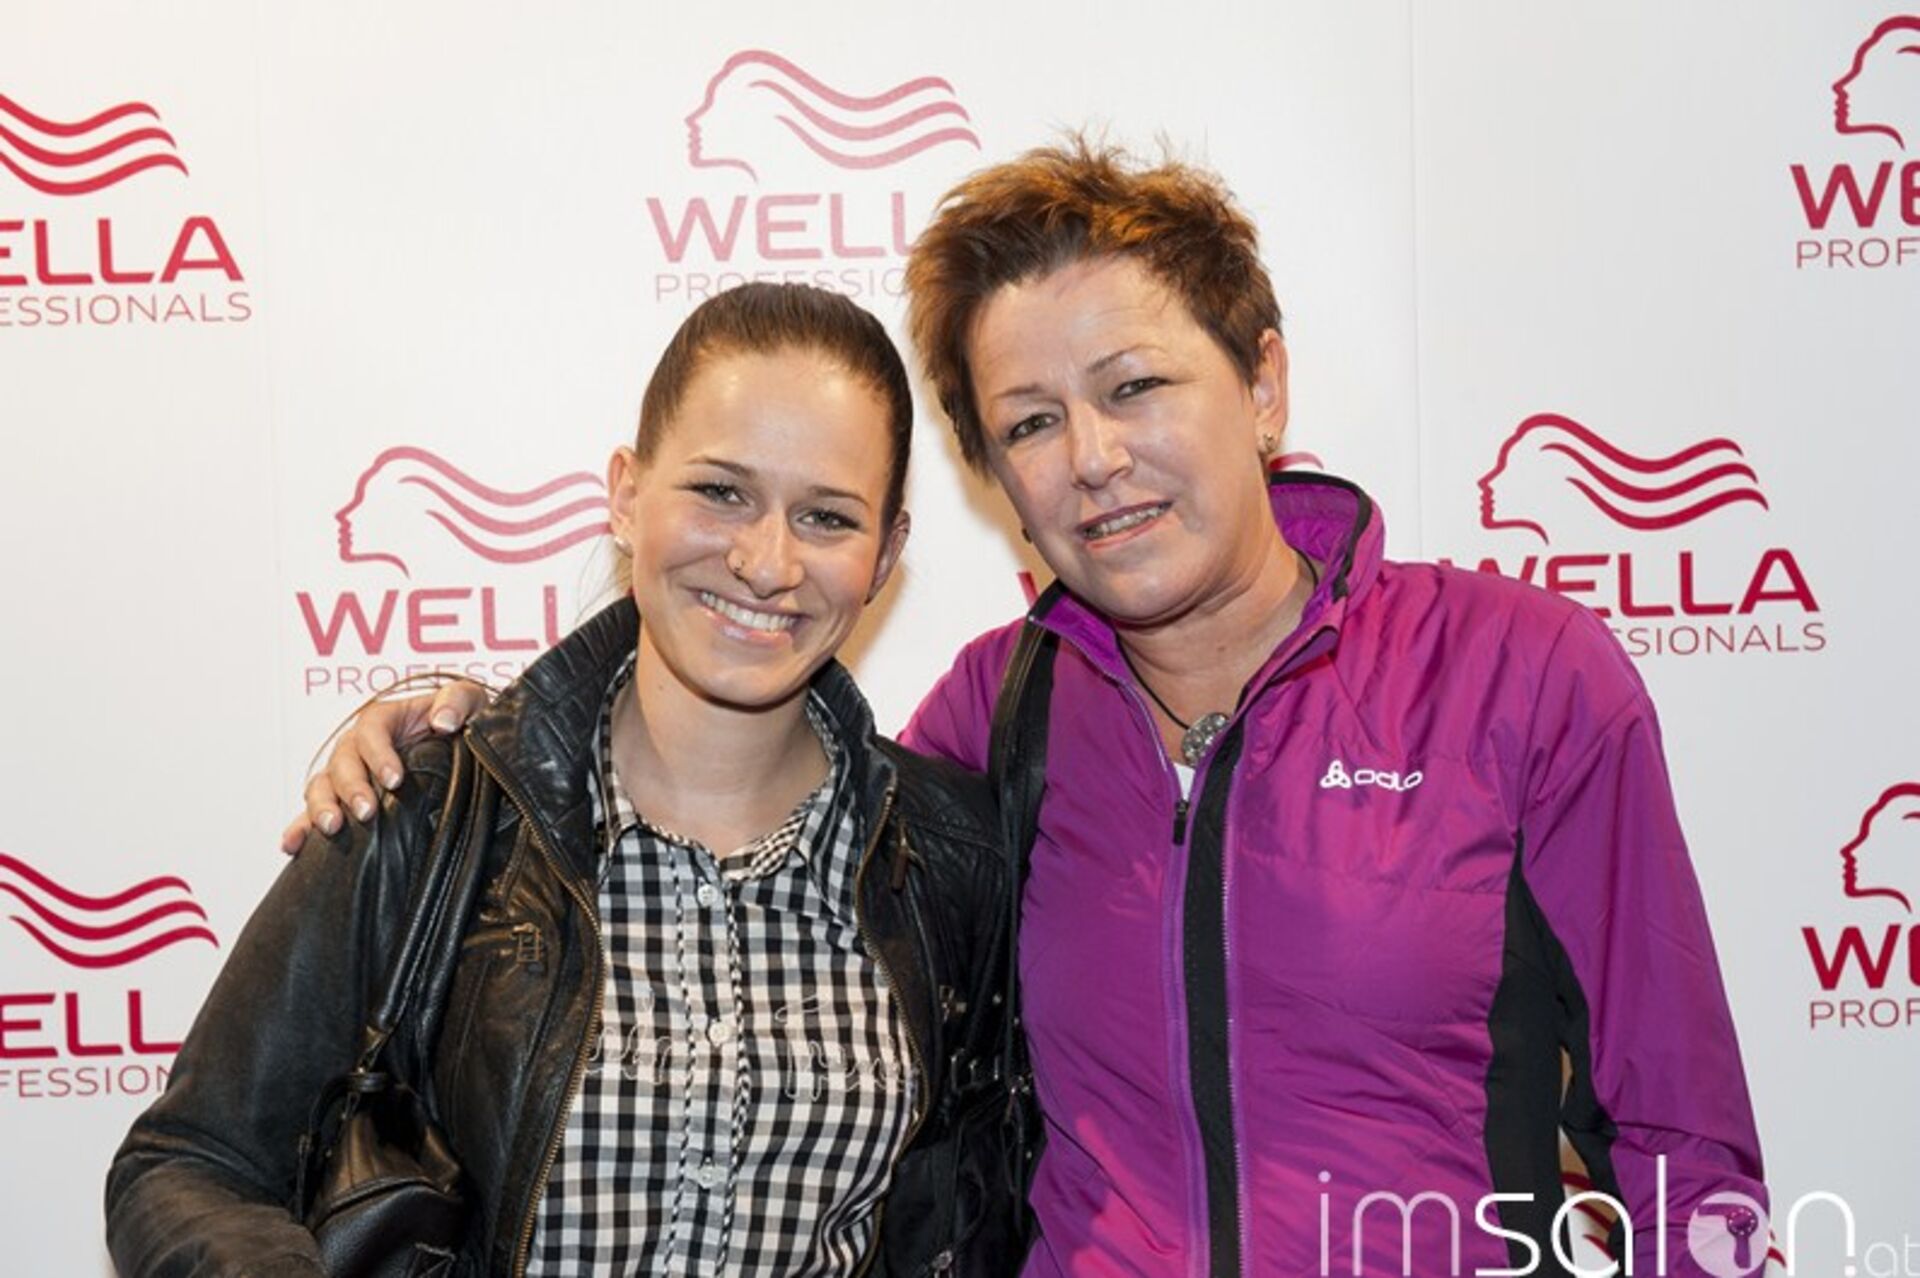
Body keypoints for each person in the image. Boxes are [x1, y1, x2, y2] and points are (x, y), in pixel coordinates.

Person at [299, 141, 1768, 1277]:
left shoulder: (1523, 676)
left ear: (1263, 385)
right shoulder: (994, 714)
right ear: (995, 478)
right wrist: (464, 730)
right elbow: (728, 781)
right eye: (1032, 423)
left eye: (1137, 387)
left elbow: (1683, 1140)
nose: (1095, 460)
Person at [106, 283, 1025, 1277]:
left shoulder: (949, 863)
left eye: (827, 517)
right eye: (721, 492)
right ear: (627, 495)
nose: (766, 563)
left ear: (885, 554)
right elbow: (189, 1164)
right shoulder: (437, 814)